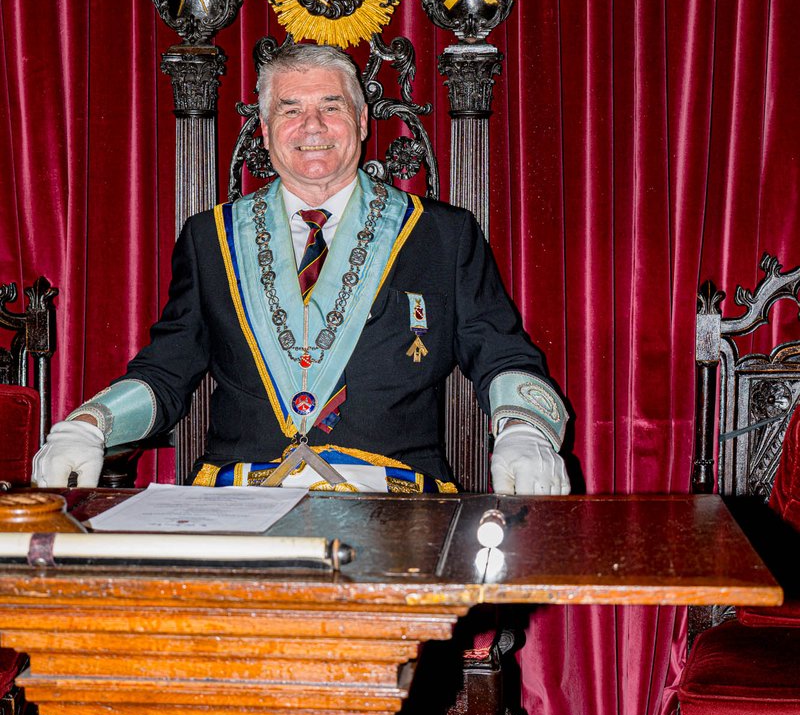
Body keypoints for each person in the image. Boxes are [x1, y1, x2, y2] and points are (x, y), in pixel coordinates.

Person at [32, 43, 570, 496]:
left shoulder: (442, 235)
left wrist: (524, 431)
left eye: (331, 106)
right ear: (266, 132)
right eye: (290, 110)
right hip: (241, 496)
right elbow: (167, 368)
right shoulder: (211, 238)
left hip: (393, 496)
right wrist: (91, 423)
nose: (312, 125)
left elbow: (502, 352)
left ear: (362, 121)